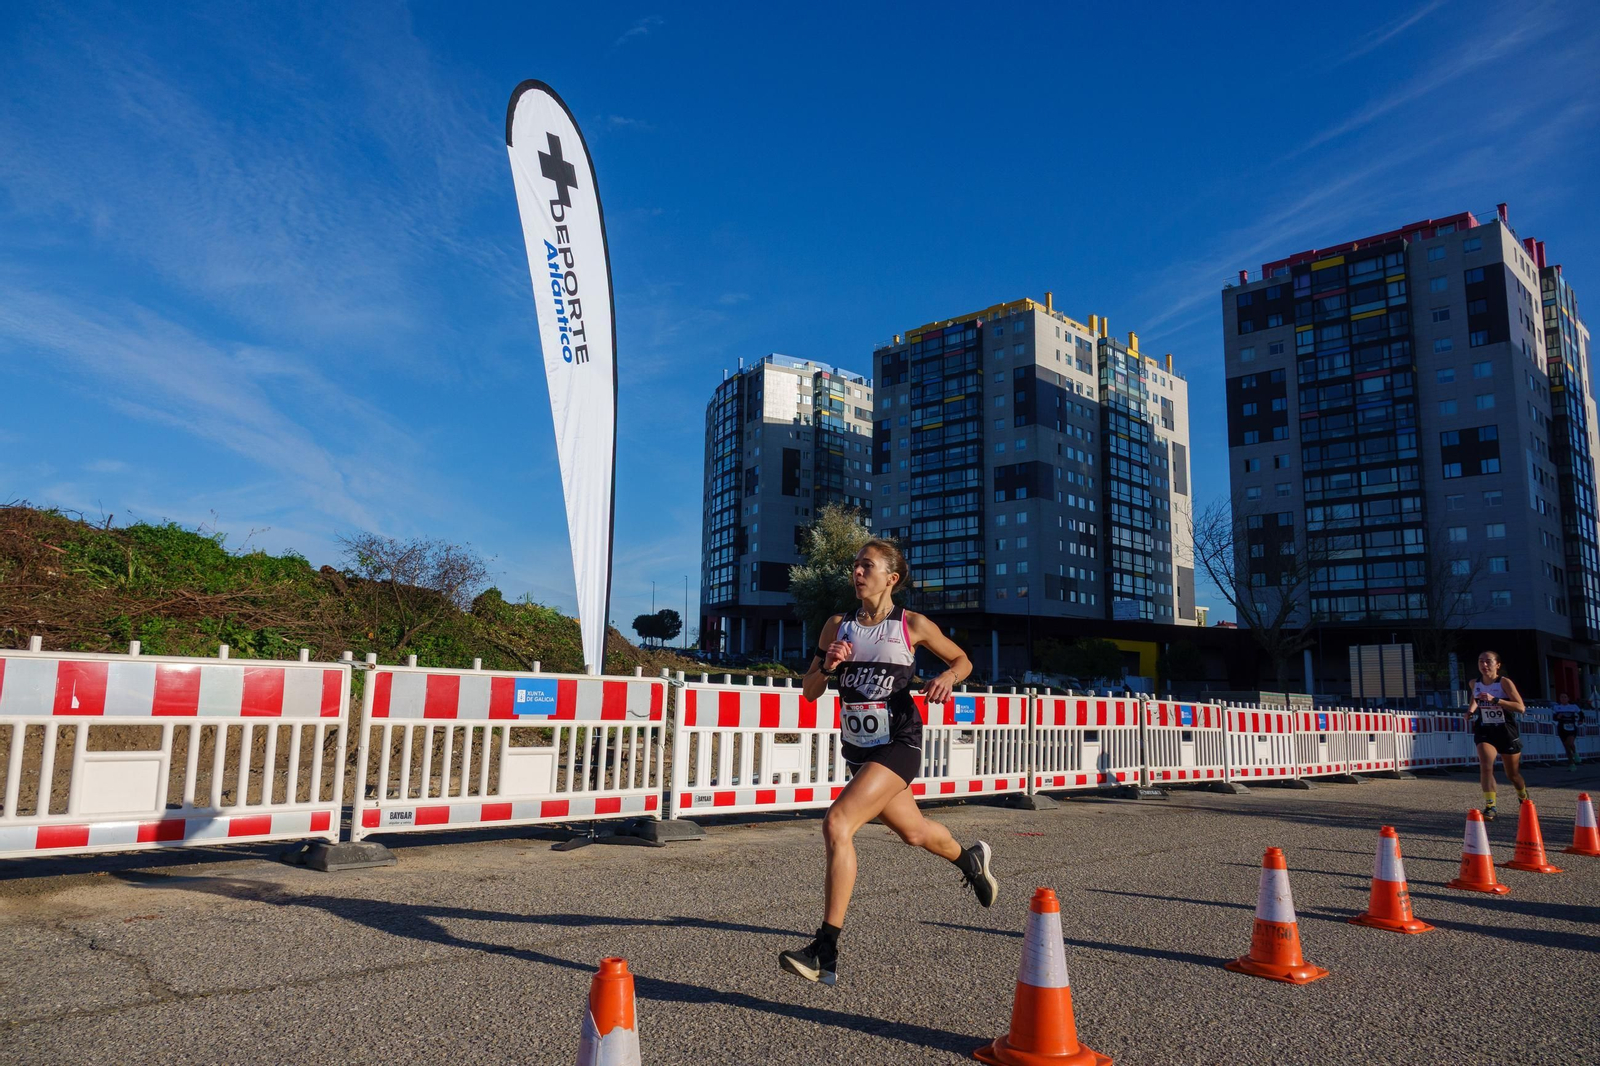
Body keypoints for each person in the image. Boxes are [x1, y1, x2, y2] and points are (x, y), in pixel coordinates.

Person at [779, 539, 994, 986]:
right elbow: (810, 690)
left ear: (891, 578)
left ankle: (825, 951)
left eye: (867, 566)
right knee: (914, 833)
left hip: (900, 741)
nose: (857, 572)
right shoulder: (836, 626)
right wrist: (830, 668)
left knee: (838, 822)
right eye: (855, 565)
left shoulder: (910, 624)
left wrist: (949, 676)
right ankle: (969, 859)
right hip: (861, 750)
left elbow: (963, 659)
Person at [1464, 650, 1527, 821]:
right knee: (1485, 765)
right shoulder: (1474, 683)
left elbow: (1521, 707)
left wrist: (1496, 700)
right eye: (1480, 661)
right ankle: (1490, 806)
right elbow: (1476, 698)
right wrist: (1470, 711)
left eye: (1488, 661)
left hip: (1506, 730)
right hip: (1485, 729)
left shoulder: (1504, 683)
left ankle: (1523, 797)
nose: (1484, 665)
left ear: (1497, 665)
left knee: (1512, 774)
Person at [1551, 691, 1583, 770]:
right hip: (1562, 728)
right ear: (1559, 699)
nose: (1563, 699)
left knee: (1570, 743)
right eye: (1562, 697)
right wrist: (1558, 716)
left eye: (1565, 697)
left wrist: (1580, 720)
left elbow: (1581, 714)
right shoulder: (1557, 707)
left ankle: (1575, 754)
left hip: (1571, 727)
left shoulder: (1573, 707)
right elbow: (1554, 718)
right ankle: (1571, 764)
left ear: (1568, 698)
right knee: (1566, 746)